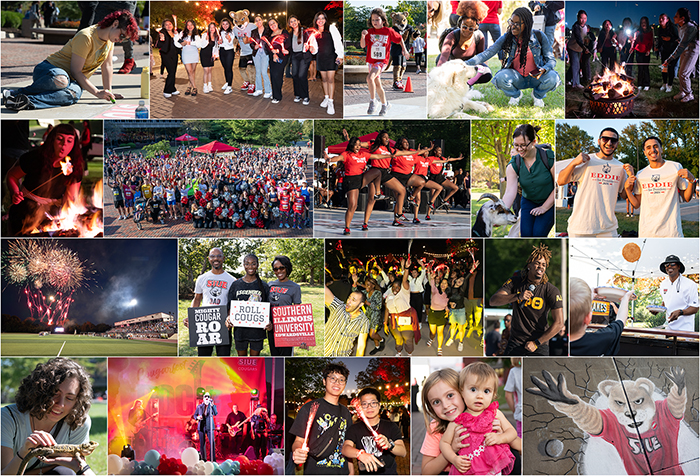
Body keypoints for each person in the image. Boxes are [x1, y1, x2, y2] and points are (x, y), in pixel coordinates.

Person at [2, 10, 138, 111]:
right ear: (115, 24)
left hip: (73, 81)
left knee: (72, 95)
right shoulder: (86, 37)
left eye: (124, 39)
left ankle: (26, 102)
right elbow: (76, 70)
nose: (120, 40)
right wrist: (97, 93)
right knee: (62, 81)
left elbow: (107, 66)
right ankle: (16, 93)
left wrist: (108, 91)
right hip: (49, 70)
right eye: (121, 35)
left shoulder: (110, 41)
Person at [1, 358, 95, 476]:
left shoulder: (79, 422)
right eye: (55, 394)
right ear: (40, 390)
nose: (60, 404)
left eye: (69, 398)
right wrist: (24, 453)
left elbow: (73, 467)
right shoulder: (7, 417)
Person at [465, 7, 559, 107]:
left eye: (517, 23)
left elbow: (551, 60)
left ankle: (537, 95)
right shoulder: (507, 37)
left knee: (554, 78)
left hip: (535, 77)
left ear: (527, 24)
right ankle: (516, 95)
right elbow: (487, 53)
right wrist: (464, 64)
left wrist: (545, 68)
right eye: (511, 22)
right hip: (516, 77)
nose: (513, 26)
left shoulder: (539, 36)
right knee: (500, 78)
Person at [6, 123, 84, 236]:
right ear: (52, 140)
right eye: (59, 139)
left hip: (52, 214)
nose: (64, 145)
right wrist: (15, 192)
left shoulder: (75, 166)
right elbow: (12, 176)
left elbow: (70, 199)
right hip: (25, 209)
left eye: (69, 141)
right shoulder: (35, 158)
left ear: (74, 144)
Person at [439, 362, 516, 475]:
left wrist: (500, 438)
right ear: (462, 391)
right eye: (473, 389)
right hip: (468, 469)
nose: (480, 396)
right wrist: (454, 459)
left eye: (486, 391)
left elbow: (512, 432)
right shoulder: (459, 421)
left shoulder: (494, 413)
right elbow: (444, 443)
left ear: (493, 394)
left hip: (492, 466)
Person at [489, 243, 564, 356]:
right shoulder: (515, 282)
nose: (541, 267)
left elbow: (559, 323)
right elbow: (493, 301)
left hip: (539, 344)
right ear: (529, 265)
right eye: (537, 263)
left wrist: (537, 343)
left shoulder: (551, 290)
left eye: (544, 264)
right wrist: (517, 296)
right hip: (516, 342)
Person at [556, 127, 627, 237]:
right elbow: (561, 181)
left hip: (608, 228)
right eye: (605, 139)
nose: (609, 143)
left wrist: (630, 182)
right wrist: (573, 163)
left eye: (613, 140)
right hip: (581, 227)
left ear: (617, 143)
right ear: (599, 141)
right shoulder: (586, 160)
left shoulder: (620, 167)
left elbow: (624, 194)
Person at [623, 136, 696, 237]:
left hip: (672, 232)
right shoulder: (641, 174)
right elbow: (636, 204)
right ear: (644, 152)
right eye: (648, 148)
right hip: (647, 232)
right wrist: (627, 189)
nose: (652, 150)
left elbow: (686, 198)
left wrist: (692, 180)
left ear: (661, 149)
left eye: (655, 146)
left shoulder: (675, 167)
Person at [291, 363, 353, 474]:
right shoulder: (310, 408)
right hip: (316, 470)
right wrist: (297, 451)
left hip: (341, 471)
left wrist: (351, 470)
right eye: (332, 378)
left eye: (341, 380)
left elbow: (347, 444)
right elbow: (298, 441)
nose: (337, 383)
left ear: (345, 384)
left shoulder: (346, 412)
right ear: (324, 381)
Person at [501, 124, 555, 237]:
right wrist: (501, 213)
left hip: (549, 200)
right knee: (526, 234)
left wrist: (544, 207)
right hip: (528, 201)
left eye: (523, 145)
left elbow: (558, 186)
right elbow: (510, 192)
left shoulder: (548, 158)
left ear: (534, 142)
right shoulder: (513, 165)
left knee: (538, 233)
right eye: (516, 145)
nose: (519, 149)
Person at [342, 388, 406, 475]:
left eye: (373, 403)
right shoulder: (355, 428)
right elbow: (345, 448)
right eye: (364, 404)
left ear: (379, 405)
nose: (369, 407)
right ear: (360, 407)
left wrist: (389, 445)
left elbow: (403, 452)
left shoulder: (391, 426)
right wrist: (360, 454)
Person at [361, 8, 410, 116]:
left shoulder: (388, 31)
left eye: (377, 20)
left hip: (382, 61)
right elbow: (363, 45)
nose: (375, 22)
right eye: (373, 20)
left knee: (369, 78)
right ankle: (385, 104)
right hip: (371, 61)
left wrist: (404, 50)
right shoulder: (370, 32)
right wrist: (363, 36)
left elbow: (400, 38)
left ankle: (373, 101)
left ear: (383, 20)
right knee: (377, 85)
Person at [189, 247, 236, 356]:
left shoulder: (232, 280)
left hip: (223, 323)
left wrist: (230, 317)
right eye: (213, 256)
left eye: (219, 256)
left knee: (223, 359)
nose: (216, 258)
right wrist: (191, 317)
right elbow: (197, 299)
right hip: (205, 323)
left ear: (223, 258)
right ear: (209, 259)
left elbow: (233, 304)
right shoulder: (202, 278)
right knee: (203, 357)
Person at [569, 277, 633, 356]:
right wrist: (625, 298)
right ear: (588, 318)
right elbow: (621, 320)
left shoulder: (552, 342)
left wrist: (589, 297)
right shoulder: (602, 339)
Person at [437, 1, 492, 88]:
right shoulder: (452, 36)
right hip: (453, 66)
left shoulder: (479, 36)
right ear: (460, 24)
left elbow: (480, 58)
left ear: (475, 28)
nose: (467, 30)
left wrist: (477, 72)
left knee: (487, 73)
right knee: (440, 63)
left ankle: (468, 84)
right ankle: (452, 83)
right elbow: (444, 57)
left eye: (471, 28)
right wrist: (438, 73)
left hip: (468, 67)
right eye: (464, 27)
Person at [226, 253, 270, 357]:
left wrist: (269, 322)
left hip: (257, 331)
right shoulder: (236, 284)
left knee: (254, 361)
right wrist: (228, 317)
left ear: (258, 265)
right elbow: (230, 305)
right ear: (243, 265)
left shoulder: (263, 285)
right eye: (247, 264)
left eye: (253, 264)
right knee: (242, 361)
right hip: (240, 331)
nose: (250, 266)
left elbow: (268, 306)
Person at [384, 258, 420, 357]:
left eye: (398, 287)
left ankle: (409, 353)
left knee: (407, 339)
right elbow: (387, 309)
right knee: (398, 338)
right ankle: (399, 352)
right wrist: (385, 323)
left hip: (405, 319)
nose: (395, 289)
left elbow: (404, 279)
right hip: (393, 321)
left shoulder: (404, 293)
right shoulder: (390, 295)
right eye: (393, 287)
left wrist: (406, 268)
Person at [324, 281, 370, 357]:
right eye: (349, 298)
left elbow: (361, 347)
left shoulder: (364, 321)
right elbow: (324, 291)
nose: (349, 301)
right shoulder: (338, 307)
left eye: (353, 300)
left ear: (361, 304)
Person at [268, 255, 302, 356]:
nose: (279, 271)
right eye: (275, 269)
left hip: (286, 329)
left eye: (281, 268)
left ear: (287, 268)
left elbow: (297, 310)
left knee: (285, 356)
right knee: (274, 357)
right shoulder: (270, 285)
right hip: (271, 328)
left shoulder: (295, 287)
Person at [663, 7, 699, 103]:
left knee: (684, 73)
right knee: (681, 73)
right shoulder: (680, 26)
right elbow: (682, 42)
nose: (674, 17)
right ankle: (682, 91)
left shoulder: (690, 28)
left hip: (692, 50)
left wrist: (670, 59)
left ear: (682, 18)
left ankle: (689, 94)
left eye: (676, 16)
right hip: (686, 49)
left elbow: (681, 45)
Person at [313, 12, 343, 115]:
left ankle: (331, 102)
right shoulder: (315, 32)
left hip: (331, 57)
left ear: (325, 19)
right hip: (320, 57)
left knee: (330, 79)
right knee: (324, 79)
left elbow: (338, 41)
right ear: (316, 20)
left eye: (322, 18)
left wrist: (340, 55)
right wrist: (312, 49)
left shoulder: (331, 28)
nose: (320, 20)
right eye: (318, 18)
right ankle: (326, 98)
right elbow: (314, 48)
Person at [658, 255, 699, 332]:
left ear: (679, 267)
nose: (669, 266)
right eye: (667, 265)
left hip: (685, 330)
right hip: (669, 329)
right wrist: (657, 309)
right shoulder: (663, 284)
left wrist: (680, 312)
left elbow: (695, 308)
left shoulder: (690, 284)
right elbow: (665, 301)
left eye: (672, 264)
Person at [288, 15, 314, 105]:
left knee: (301, 76)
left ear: (298, 21)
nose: (293, 23)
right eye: (291, 21)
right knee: (295, 75)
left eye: (294, 20)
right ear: (289, 24)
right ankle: (298, 94)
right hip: (294, 56)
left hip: (304, 55)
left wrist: (311, 47)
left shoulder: (305, 31)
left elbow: (312, 41)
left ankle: (305, 96)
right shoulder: (290, 34)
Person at [427, 264, 451, 356]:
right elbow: (432, 283)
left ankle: (439, 348)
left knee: (440, 332)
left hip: (442, 314)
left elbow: (447, 304)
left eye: (445, 283)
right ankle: (431, 339)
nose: (443, 284)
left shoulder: (448, 295)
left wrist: (447, 309)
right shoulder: (435, 291)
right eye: (442, 283)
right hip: (433, 313)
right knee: (432, 332)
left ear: (448, 285)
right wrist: (432, 277)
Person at [174, 20, 202, 96]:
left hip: (194, 54)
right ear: (186, 26)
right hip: (186, 54)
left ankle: (189, 86)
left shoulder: (196, 35)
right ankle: (195, 87)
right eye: (188, 25)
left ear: (194, 26)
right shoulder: (182, 34)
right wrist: (177, 37)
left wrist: (189, 43)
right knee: (189, 71)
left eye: (191, 25)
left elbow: (199, 44)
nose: (190, 26)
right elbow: (177, 44)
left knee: (193, 71)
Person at [267, 18, 291, 104]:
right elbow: (268, 47)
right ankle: (275, 94)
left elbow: (288, 44)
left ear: (277, 23)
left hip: (282, 56)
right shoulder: (270, 35)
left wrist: (278, 51)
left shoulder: (284, 32)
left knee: (277, 74)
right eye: (270, 24)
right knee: (273, 75)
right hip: (272, 57)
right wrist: (273, 53)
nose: (272, 25)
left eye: (273, 23)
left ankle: (277, 96)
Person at [567, 10, 590, 90]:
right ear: (577, 18)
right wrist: (584, 48)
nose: (583, 20)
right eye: (581, 18)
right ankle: (576, 84)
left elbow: (586, 37)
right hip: (572, 48)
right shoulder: (576, 26)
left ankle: (568, 79)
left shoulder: (586, 27)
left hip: (579, 49)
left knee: (575, 65)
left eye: (585, 18)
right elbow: (578, 39)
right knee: (576, 65)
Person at [156, 19, 180, 98]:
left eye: (170, 24)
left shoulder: (175, 33)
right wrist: (161, 38)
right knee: (171, 72)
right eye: (166, 24)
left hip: (175, 55)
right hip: (166, 55)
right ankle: (166, 90)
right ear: (163, 26)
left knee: (174, 72)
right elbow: (159, 44)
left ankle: (172, 89)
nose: (168, 26)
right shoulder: (163, 33)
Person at [250, 16, 272, 98]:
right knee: (257, 72)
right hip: (256, 54)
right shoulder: (253, 32)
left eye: (259, 20)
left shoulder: (268, 31)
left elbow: (270, 41)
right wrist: (253, 46)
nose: (258, 21)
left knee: (264, 72)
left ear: (262, 21)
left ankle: (268, 90)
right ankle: (259, 89)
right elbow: (251, 42)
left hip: (265, 53)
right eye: (256, 20)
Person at [657, 13, 679, 93]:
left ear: (667, 20)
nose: (661, 19)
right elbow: (659, 39)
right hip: (664, 51)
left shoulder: (673, 28)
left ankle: (670, 85)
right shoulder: (659, 29)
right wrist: (658, 47)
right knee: (664, 68)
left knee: (671, 68)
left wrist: (669, 39)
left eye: (663, 18)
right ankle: (664, 83)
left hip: (673, 51)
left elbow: (678, 38)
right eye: (660, 18)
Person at [193, 393, 218, 462]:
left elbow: (215, 413)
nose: (206, 398)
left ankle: (213, 459)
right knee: (202, 444)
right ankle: (204, 459)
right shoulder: (199, 406)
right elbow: (194, 415)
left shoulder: (212, 406)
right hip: (201, 426)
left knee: (212, 443)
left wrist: (212, 405)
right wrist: (198, 417)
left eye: (208, 397)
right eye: (205, 397)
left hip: (209, 426)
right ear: (203, 399)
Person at [363, 276, 385, 355]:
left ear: (373, 285)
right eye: (365, 285)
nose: (366, 287)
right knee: (373, 333)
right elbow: (356, 293)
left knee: (372, 334)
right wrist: (355, 283)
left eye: (368, 285)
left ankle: (382, 340)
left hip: (375, 316)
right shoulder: (366, 292)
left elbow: (379, 307)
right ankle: (377, 347)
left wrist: (368, 303)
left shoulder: (377, 293)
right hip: (368, 315)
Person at [632, 16, 653, 91]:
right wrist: (632, 48)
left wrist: (648, 50)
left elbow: (651, 42)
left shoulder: (650, 32)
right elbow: (634, 41)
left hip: (646, 52)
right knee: (640, 68)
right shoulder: (638, 32)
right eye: (642, 22)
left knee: (645, 68)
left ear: (647, 23)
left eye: (644, 22)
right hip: (638, 52)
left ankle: (647, 84)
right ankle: (640, 84)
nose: (643, 24)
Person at [503, 358, 522, 438]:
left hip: (521, 414)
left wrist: (514, 410)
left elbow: (508, 395)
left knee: (521, 443)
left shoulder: (514, 371)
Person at [199, 22, 220, 94]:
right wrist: (206, 40)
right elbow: (201, 45)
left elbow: (216, 47)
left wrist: (215, 55)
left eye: (213, 27)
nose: (212, 29)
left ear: (215, 28)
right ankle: (205, 86)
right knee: (206, 70)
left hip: (211, 55)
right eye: (210, 27)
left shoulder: (216, 36)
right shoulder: (205, 35)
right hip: (204, 54)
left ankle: (210, 85)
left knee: (210, 70)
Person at [218, 18, 235, 95]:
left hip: (229, 51)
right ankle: (227, 81)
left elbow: (230, 42)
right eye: (223, 24)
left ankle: (229, 86)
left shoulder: (231, 32)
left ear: (229, 25)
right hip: (222, 51)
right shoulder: (219, 32)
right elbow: (217, 42)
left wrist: (229, 39)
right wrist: (218, 42)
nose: (225, 26)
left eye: (227, 24)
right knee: (225, 68)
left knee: (229, 68)